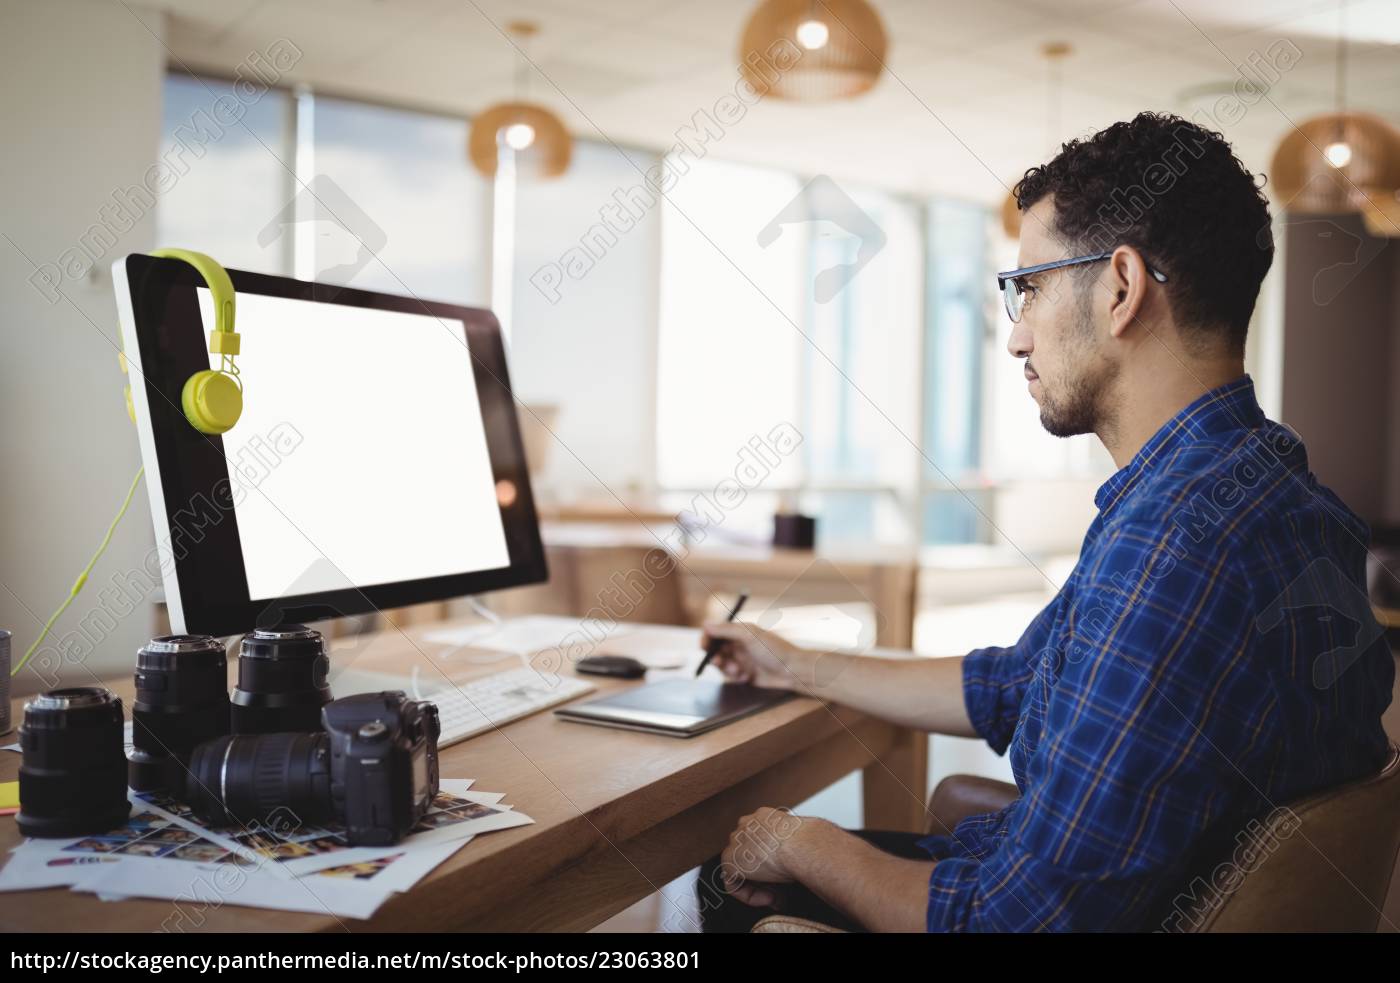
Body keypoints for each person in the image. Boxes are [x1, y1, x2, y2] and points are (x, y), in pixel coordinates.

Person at [697, 112, 1395, 933]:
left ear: (1121, 288)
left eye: (1029, 285)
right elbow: (1013, 683)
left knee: (717, 889)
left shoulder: (1172, 547)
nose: (1017, 334)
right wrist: (800, 663)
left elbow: (1015, 921)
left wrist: (800, 840)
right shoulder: (1270, 487)